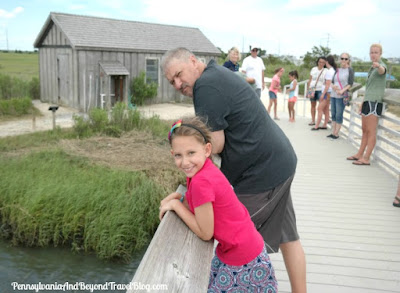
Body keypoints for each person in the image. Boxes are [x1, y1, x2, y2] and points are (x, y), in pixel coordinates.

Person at [161, 47, 306, 293]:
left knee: (234, 232)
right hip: (279, 161)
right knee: (288, 237)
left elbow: (215, 144)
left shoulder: (204, 87)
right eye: (171, 81)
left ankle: (253, 280)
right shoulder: (216, 74)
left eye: (178, 74)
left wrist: (181, 202)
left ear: (193, 61)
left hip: (262, 173)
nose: (177, 83)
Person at [159, 117, 278, 291]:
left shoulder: (201, 181)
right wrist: (180, 198)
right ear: (172, 154)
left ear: (207, 149)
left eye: (191, 153)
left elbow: (206, 233)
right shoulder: (203, 169)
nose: (184, 162)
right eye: (178, 155)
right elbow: (198, 204)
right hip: (244, 247)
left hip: (242, 259)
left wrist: (176, 206)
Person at [347, 44, 387, 166]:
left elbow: (383, 70)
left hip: (375, 102)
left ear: (380, 54)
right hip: (367, 101)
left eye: (376, 52)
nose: (373, 54)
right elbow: (369, 88)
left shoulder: (381, 65)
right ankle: (359, 154)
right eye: (371, 52)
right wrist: (363, 101)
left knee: (371, 131)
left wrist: (378, 65)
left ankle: (366, 158)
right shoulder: (371, 68)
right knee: (364, 130)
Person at [328, 53, 354, 139]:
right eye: (342, 58)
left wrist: (342, 90)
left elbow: (350, 83)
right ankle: (333, 132)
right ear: (340, 59)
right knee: (333, 113)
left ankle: (336, 133)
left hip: (342, 96)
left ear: (348, 60)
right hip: (333, 94)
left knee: (339, 114)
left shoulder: (350, 70)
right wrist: (333, 87)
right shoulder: (337, 70)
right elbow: (332, 82)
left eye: (346, 59)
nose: (343, 60)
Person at [312, 55, 336, 131]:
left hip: (327, 93)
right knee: (326, 109)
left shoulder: (329, 72)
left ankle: (316, 126)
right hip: (330, 93)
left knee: (319, 108)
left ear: (327, 62)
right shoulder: (333, 70)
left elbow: (327, 84)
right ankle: (325, 125)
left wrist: (322, 94)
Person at [307, 57, 327, 126]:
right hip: (312, 89)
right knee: (313, 105)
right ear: (318, 62)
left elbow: (327, 81)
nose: (321, 63)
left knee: (321, 106)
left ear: (325, 63)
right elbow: (310, 80)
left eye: (323, 62)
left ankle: (322, 121)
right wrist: (308, 89)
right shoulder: (313, 69)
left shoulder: (325, 70)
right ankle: (313, 120)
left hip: (320, 90)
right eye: (320, 62)